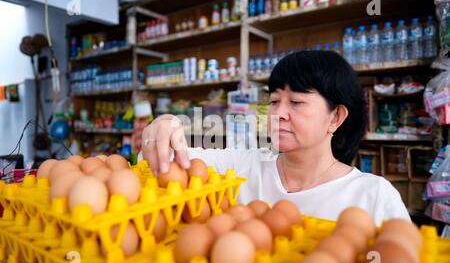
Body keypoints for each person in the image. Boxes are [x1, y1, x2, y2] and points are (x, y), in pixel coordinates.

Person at [141, 50, 410, 226]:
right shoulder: (242, 166)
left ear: (335, 118)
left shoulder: (374, 197)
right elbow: (158, 163)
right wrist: (165, 124)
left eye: (296, 102)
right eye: (274, 101)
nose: (278, 114)